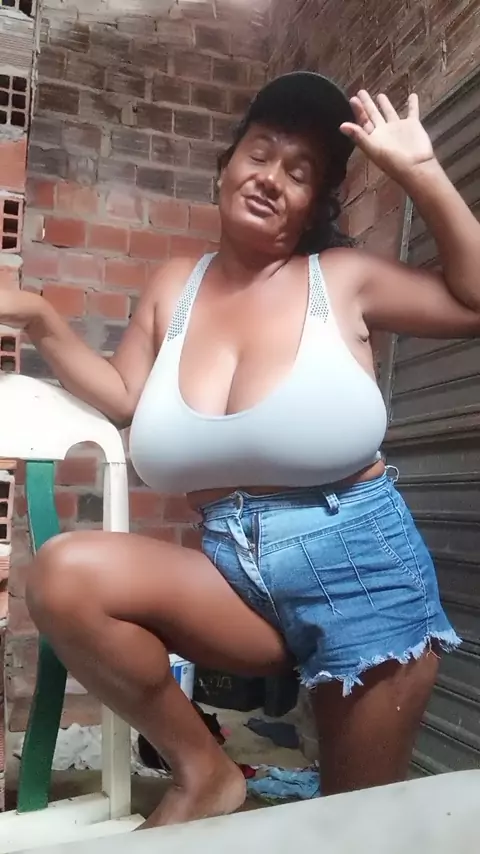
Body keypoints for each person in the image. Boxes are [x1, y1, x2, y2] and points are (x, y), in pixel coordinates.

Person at [4, 72, 480, 827]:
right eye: (260, 155)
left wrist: (421, 172)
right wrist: (40, 318)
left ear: (314, 206)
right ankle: (206, 773)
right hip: (232, 574)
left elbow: (473, 300)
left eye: (300, 172)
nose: (271, 179)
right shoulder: (175, 286)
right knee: (65, 577)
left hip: (359, 566)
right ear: (226, 167)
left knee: (352, 830)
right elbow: (125, 397)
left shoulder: (341, 279)